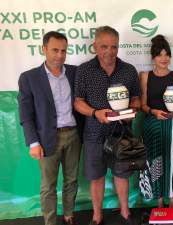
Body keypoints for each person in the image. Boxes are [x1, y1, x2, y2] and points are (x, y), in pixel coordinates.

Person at [74, 26, 141, 225]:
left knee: (122, 175)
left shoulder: (129, 70)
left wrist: (131, 112)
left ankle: (125, 213)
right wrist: (95, 113)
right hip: (94, 133)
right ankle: (97, 216)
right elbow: (78, 102)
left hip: (122, 133)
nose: (109, 51)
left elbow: (136, 98)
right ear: (94, 46)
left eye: (114, 47)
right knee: (97, 177)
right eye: (104, 46)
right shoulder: (84, 70)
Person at [18, 31, 83, 225]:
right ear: (44, 49)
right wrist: (33, 143)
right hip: (46, 139)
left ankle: (69, 214)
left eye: (63, 51)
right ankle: (50, 221)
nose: (60, 55)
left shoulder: (74, 72)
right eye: (55, 50)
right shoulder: (29, 78)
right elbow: (25, 114)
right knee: (48, 186)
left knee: (72, 180)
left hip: (73, 135)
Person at [138, 35, 173, 208]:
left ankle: (172, 203)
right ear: (153, 58)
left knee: (172, 163)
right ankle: (158, 203)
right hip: (152, 125)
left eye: (167, 55)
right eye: (160, 55)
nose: (164, 59)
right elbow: (142, 105)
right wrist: (153, 111)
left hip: (172, 126)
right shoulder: (144, 77)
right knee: (156, 162)